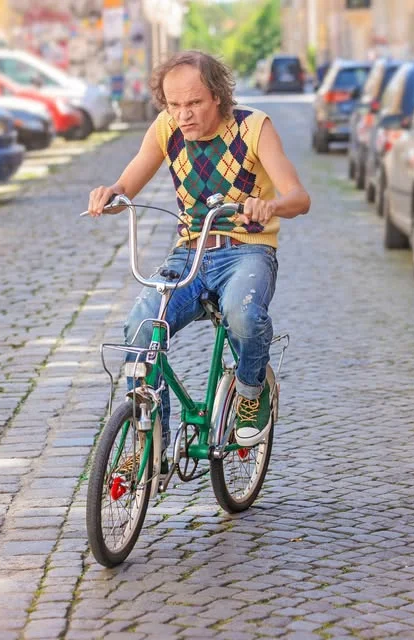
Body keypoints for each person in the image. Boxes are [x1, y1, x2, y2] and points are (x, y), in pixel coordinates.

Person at [87, 50, 310, 450]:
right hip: (188, 254)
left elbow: (299, 198)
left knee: (243, 315)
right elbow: (128, 183)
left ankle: (251, 392)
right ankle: (151, 437)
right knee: (140, 325)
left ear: (219, 97)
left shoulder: (255, 128)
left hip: (247, 250)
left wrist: (271, 205)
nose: (183, 115)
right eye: (174, 105)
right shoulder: (165, 129)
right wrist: (111, 194)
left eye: (194, 103)